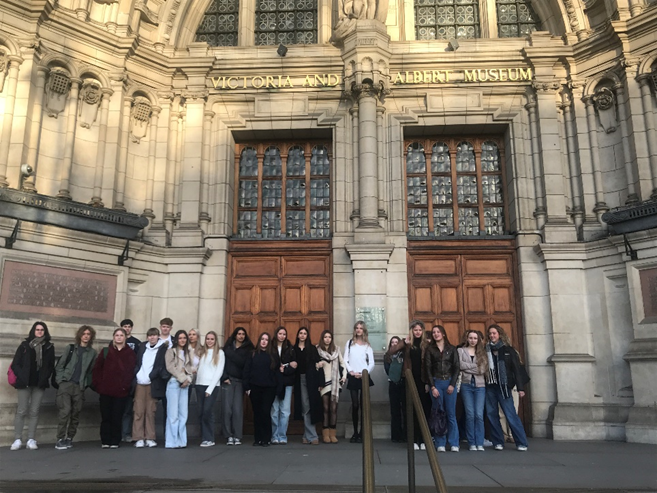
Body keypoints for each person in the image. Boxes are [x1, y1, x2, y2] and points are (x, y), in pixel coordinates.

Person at [9, 321, 56, 451]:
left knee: (34, 411)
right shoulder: (25, 345)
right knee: (21, 410)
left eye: (42, 330)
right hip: (25, 383)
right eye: (37, 329)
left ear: (45, 332)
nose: (40, 332)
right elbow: (15, 364)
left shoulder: (49, 347)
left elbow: (50, 365)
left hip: (39, 383)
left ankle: (31, 438)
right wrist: (22, 375)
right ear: (33, 331)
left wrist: (45, 377)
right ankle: (17, 439)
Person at [387, 320, 431, 449]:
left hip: (422, 380)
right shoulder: (406, 344)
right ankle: (412, 439)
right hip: (409, 380)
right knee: (410, 410)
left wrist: (429, 382)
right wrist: (402, 343)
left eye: (419, 330)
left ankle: (422, 439)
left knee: (423, 410)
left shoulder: (426, 345)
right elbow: (391, 351)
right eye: (415, 330)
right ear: (411, 331)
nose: (417, 332)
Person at [485, 324, 529, 452]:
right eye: (490, 333)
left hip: (504, 387)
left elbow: (516, 369)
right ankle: (498, 441)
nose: (492, 335)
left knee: (510, 414)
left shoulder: (509, 350)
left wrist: (520, 388)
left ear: (499, 334)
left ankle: (521, 442)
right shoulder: (485, 350)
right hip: (490, 386)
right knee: (492, 414)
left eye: (494, 333)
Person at [54, 325, 98, 450]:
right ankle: (60, 438)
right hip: (66, 384)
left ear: (91, 336)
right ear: (79, 335)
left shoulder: (92, 353)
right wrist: (61, 380)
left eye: (88, 334)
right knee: (65, 411)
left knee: (75, 413)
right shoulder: (71, 348)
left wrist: (85, 383)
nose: (85, 336)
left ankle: (69, 438)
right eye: (83, 333)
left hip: (79, 386)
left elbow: (91, 371)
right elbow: (60, 365)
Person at [92, 327, 137, 449]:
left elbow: (130, 371)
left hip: (121, 391)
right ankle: (105, 439)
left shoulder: (130, 353)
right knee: (106, 416)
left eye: (121, 335)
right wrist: (99, 385)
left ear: (125, 337)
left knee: (117, 416)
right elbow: (97, 369)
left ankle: (115, 440)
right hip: (105, 390)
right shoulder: (106, 351)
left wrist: (125, 386)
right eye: (117, 335)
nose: (119, 337)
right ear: (113, 337)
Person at [425, 324, 459, 452]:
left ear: (443, 334)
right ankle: (440, 442)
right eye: (434, 332)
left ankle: (454, 442)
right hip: (436, 382)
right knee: (438, 413)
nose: (436, 334)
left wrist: (452, 384)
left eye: (438, 332)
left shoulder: (452, 349)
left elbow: (456, 367)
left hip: (449, 382)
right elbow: (427, 369)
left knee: (451, 414)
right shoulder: (430, 350)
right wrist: (432, 386)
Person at [132, 327, 165, 448]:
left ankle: (150, 437)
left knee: (151, 411)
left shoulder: (163, 349)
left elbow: (161, 365)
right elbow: (138, 362)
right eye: (150, 335)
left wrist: (152, 375)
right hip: (140, 382)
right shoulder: (142, 347)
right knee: (139, 410)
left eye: (154, 335)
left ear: (158, 336)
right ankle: (138, 437)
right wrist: (137, 373)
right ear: (147, 337)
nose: (152, 337)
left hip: (152, 383)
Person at [244, 332, 277, 447]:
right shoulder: (252, 354)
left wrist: (276, 387)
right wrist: (247, 387)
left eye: (266, 340)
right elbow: (247, 370)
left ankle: (266, 438)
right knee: (257, 413)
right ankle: (258, 439)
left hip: (269, 388)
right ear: (259, 341)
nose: (264, 341)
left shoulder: (272, 355)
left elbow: (276, 372)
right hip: (255, 387)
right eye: (262, 339)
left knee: (265, 411)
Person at [221, 327, 253, 446]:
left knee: (237, 410)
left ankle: (237, 435)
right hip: (228, 381)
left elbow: (245, 365)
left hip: (240, 381)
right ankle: (228, 435)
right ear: (235, 335)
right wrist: (224, 377)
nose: (241, 336)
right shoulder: (227, 348)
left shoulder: (248, 349)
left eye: (243, 334)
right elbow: (221, 363)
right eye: (239, 334)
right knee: (227, 409)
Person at [344, 320, 375, 443]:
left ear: (364, 330)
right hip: (353, 376)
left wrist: (364, 373)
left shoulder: (367, 345)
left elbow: (371, 362)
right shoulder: (350, 343)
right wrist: (351, 371)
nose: (358, 330)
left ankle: (363, 432)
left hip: (364, 377)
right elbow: (345, 359)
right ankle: (355, 431)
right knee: (355, 404)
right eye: (357, 328)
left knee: (364, 406)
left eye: (361, 328)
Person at [458, 329, 488, 451]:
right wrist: (475, 366)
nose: (473, 340)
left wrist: (468, 367)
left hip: (480, 386)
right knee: (470, 414)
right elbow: (460, 365)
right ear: (467, 339)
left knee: (479, 415)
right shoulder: (460, 351)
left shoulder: (482, 352)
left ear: (478, 340)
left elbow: (482, 369)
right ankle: (471, 442)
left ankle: (479, 442)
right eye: (471, 338)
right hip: (466, 385)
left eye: (475, 338)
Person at [164, 329, 195, 448]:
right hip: (173, 383)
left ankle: (182, 441)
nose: (182, 340)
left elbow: (192, 368)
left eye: (184, 338)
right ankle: (172, 442)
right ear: (176, 339)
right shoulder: (170, 351)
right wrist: (182, 378)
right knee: (173, 414)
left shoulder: (188, 352)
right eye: (180, 338)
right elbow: (170, 367)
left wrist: (188, 380)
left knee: (183, 414)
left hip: (185, 384)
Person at [316, 330, 347, 443]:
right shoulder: (318, 350)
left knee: (333, 408)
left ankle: (333, 433)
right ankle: (325, 433)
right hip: (324, 382)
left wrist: (343, 376)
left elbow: (342, 363)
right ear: (322, 338)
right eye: (325, 337)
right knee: (325, 408)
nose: (327, 339)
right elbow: (312, 364)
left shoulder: (336, 350)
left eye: (329, 337)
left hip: (335, 383)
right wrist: (317, 365)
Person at [196, 331, 225, 447]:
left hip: (211, 386)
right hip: (199, 384)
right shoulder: (202, 352)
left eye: (212, 339)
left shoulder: (220, 353)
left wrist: (210, 389)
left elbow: (219, 372)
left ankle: (210, 438)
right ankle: (204, 437)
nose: (209, 341)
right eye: (207, 338)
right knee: (201, 412)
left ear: (215, 340)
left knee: (208, 411)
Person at [293, 327, 322, 445]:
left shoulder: (312, 349)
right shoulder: (293, 349)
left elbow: (318, 365)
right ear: (298, 335)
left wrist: (320, 383)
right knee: (305, 407)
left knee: (309, 407)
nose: (303, 335)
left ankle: (308, 435)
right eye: (301, 333)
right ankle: (311, 435)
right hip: (298, 380)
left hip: (310, 380)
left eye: (305, 333)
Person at [270, 326, 297, 445]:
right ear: (276, 334)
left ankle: (282, 435)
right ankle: (274, 435)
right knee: (275, 410)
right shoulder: (271, 348)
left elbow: (294, 365)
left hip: (286, 383)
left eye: (284, 334)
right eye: (280, 333)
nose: (282, 336)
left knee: (285, 410)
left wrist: (284, 369)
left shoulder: (290, 348)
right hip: (274, 383)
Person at [120, 318, 141, 443]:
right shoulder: (116, 341)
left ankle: (126, 433)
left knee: (128, 409)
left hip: (131, 380)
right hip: (118, 381)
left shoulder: (136, 343)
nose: (127, 328)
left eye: (129, 326)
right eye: (125, 326)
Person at [384, 335, 405, 444]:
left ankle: (405, 434)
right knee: (395, 410)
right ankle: (396, 435)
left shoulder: (404, 355)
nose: (395, 344)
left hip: (403, 383)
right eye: (393, 342)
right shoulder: (387, 356)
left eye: (397, 342)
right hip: (393, 383)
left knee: (405, 410)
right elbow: (388, 370)